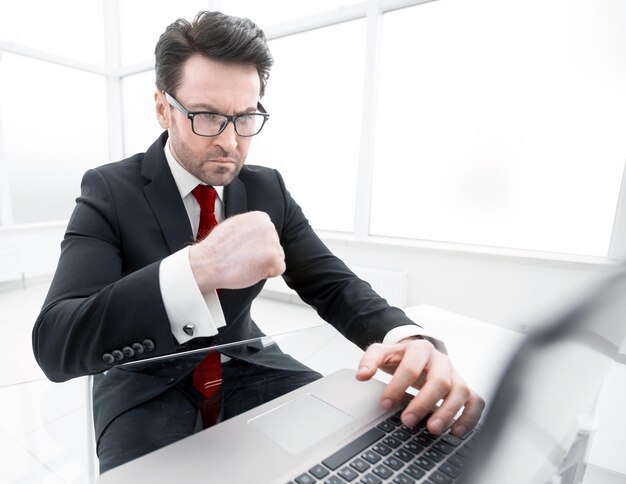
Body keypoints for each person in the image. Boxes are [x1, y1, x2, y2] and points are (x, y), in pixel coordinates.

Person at [32, 11, 484, 474]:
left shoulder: (268, 188)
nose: (230, 141)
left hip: (249, 363)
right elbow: (57, 341)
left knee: (385, 446)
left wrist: (408, 338)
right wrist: (197, 268)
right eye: (206, 116)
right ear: (163, 108)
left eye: (245, 117)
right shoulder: (110, 189)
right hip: (143, 384)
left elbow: (332, 284)